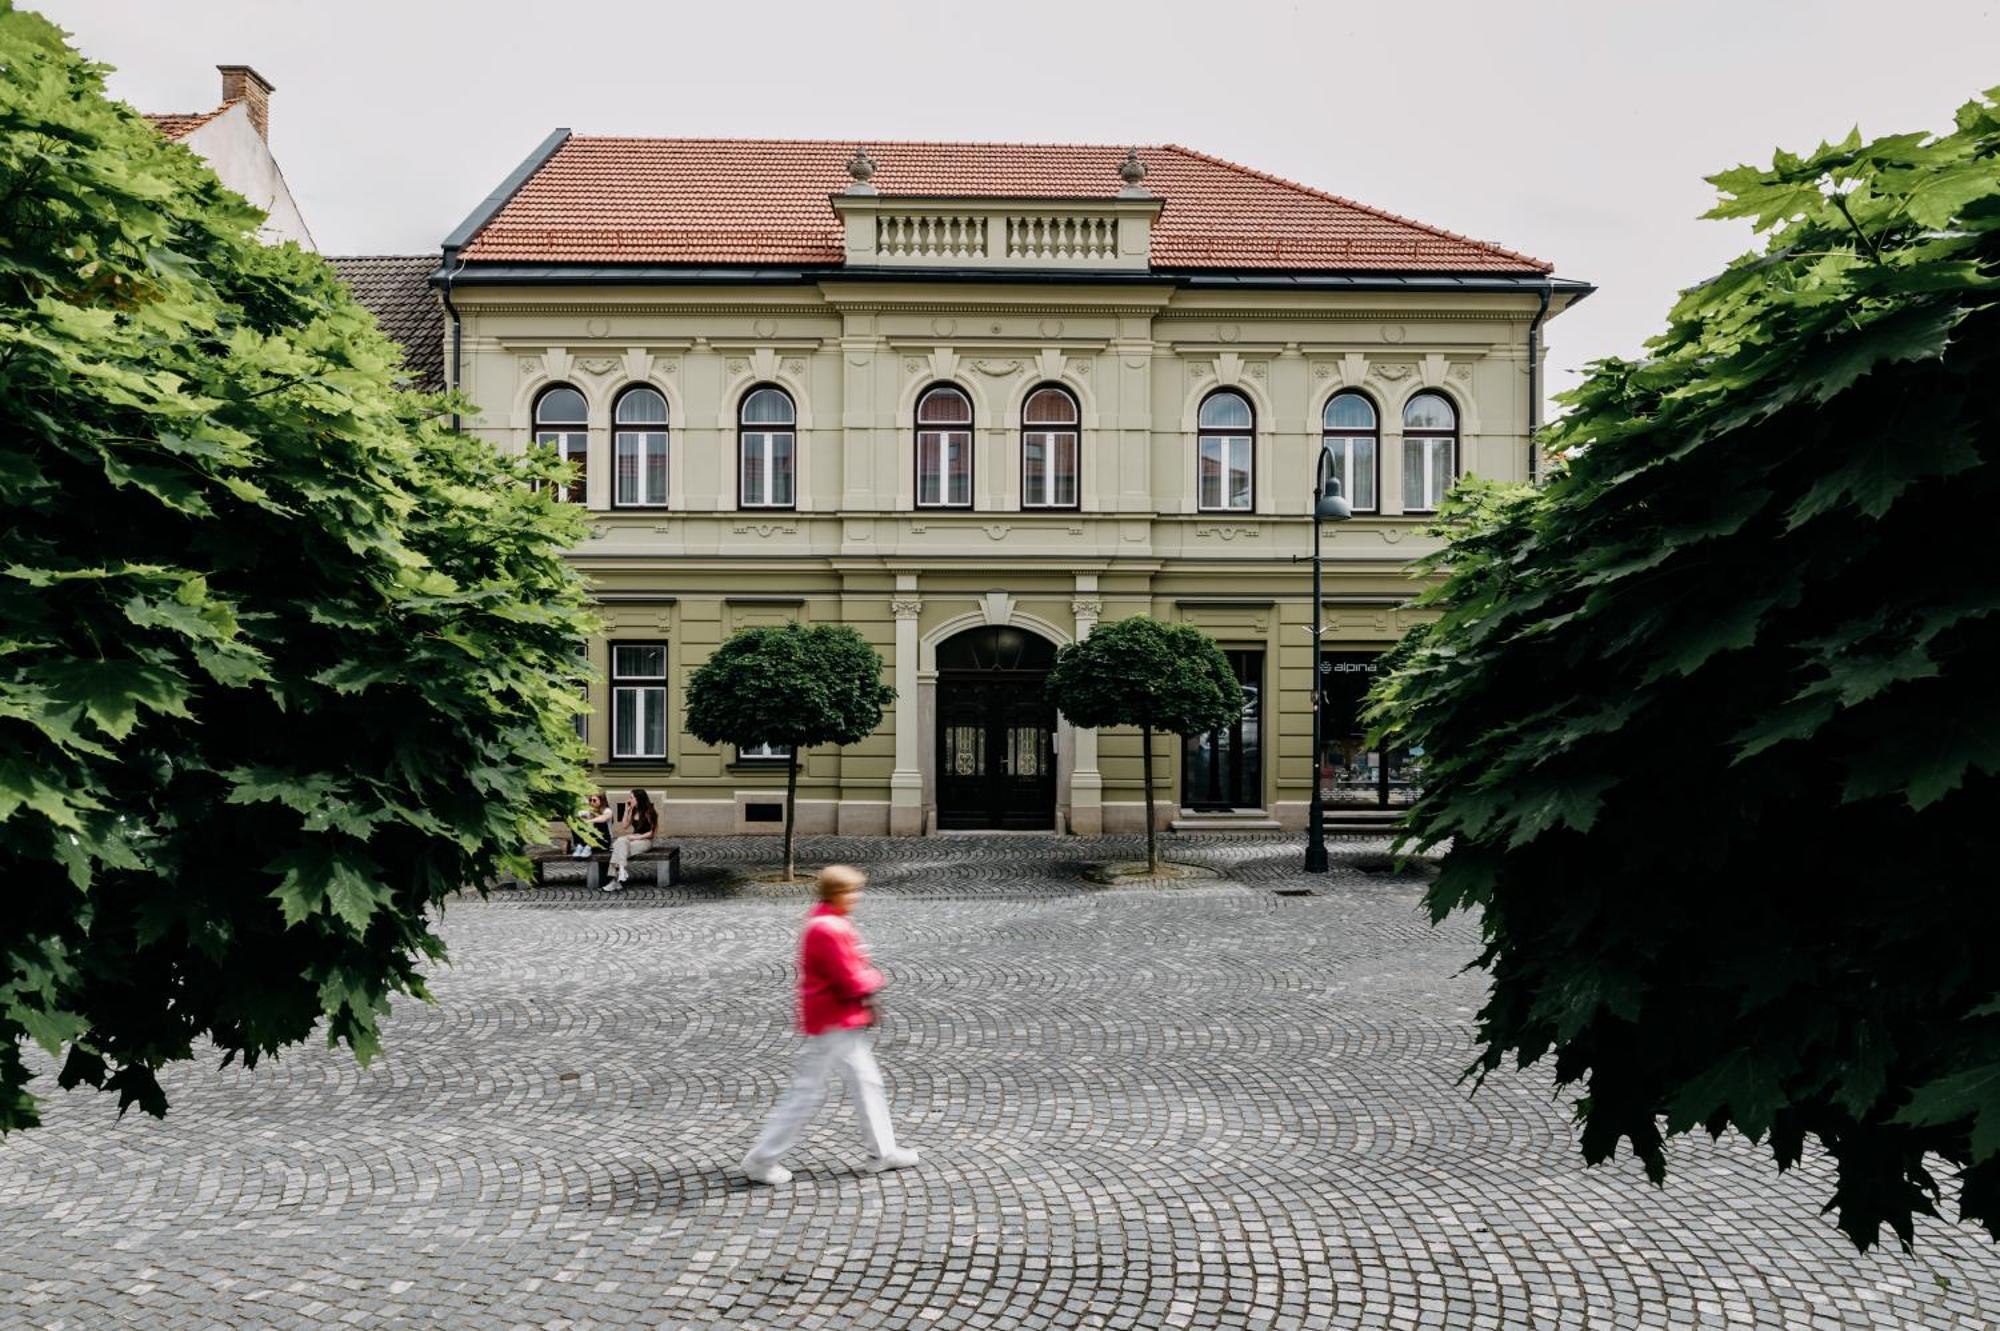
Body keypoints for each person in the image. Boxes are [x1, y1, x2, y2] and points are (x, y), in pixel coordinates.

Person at [740, 865, 918, 1184]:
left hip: (836, 1019)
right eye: (851, 891)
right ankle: (761, 1159)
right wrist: (875, 975)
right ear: (836, 893)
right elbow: (851, 980)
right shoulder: (828, 927)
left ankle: (883, 1151)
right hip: (833, 1020)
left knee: (866, 1083)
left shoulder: (829, 921)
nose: (856, 897)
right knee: (807, 1093)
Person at [605, 788, 657, 891]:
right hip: (632, 840)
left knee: (618, 847)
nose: (629, 800)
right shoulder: (633, 810)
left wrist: (636, 837)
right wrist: (626, 810)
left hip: (645, 841)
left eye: (631, 798)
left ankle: (615, 881)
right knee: (620, 842)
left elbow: (652, 833)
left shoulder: (649, 812)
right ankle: (622, 869)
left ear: (639, 799)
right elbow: (624, 826)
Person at [571, 792, 613, 858]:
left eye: (594, 800)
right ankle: (580, 846)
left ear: (601, 801)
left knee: (598, 822)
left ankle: (588, 846)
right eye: (590, 800)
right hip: (589, 841)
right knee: (576, 821)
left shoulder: (607, 810)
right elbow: (577, 815)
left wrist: (590, 821)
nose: (592, 802)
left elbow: (603, 818)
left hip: (603, 842)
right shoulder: (589, 811)